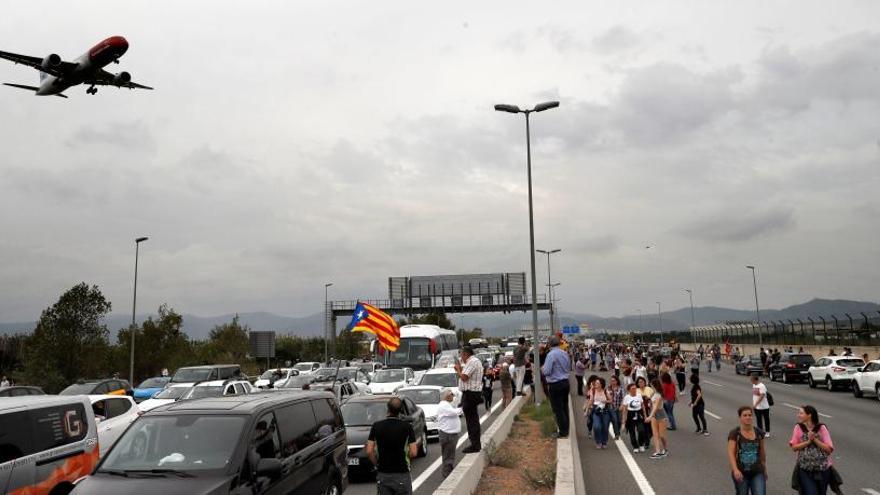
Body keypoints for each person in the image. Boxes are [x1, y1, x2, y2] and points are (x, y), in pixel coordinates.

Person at [367, 397, 418, 494]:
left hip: (383, 473)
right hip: (402, 473)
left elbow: (369, 451)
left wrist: (376, 463)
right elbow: (414, 452)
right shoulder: (407, 427)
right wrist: (407, 459)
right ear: (401, 410)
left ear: (387, 409)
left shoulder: (376, 426)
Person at [789, 405, 834, 495]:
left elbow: (829, 449)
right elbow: (794, 447)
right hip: (805, 468)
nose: (798, 415)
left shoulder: (821, 428)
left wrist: (815, 440)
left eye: (801, 413)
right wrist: (808, 442)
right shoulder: (798, 428)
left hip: (823, 469)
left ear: (809, 415)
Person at [727, 406, 767, 495]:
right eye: (745, 415)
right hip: (741, 472)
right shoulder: (735, 433)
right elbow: (731, 453)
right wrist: (735, 470)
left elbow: (762, 452)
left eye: (750, 415)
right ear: (740, 417)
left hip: (757, 471)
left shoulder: (759, 433)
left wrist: (764, 469)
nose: (748, 417)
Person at [454, 346, 484, 453]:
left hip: (471, 394)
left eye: (462, 355)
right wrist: (460, 370)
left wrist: (458, 369)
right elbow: (466, 376)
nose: (461, 357)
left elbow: (464, 377)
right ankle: (475, 444)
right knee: (472, 419)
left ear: (466, 354)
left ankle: (475, 445)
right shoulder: (473, 362)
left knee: (471, 420)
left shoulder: (472, 362)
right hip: (471, 393)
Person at [542, 335, 572, 438]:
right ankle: (566, 429)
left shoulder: (551, 355)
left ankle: (563, 432)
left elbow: (547, 371)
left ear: (549, 344)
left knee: (557, 409)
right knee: (564, 407)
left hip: (555, 384)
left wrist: (542, 369)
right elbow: (569, 367)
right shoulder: (564, 353)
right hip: (565, 382)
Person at [436, 388, 462, 478]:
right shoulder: (444, 405)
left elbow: (459, 394)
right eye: (451, 395)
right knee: (448, 455)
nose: (453, 396)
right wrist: (463, 407)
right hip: (448, 434)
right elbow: (455, 412)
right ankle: (447, 474)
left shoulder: (447, 404)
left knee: (449, 454)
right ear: (447, 396)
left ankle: (448, 472)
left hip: (449, 434)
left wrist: (454, 393)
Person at [585, 377, 611, 449]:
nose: (595, 384)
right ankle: (598, 442)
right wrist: (587, 411)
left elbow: (611, 400)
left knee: (605, 427)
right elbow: (590, 401)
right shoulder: (593, 391)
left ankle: (604, 442)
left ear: (601, 384)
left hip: (605, 411)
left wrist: (606, 401)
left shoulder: (606, 391)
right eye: (595, 383)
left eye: (597, 383)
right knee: (597, 427)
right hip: (596, 410)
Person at [621, 383, 648, 453]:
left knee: (641, 430)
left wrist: (645, 416)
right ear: (629, 390)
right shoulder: (627, 397)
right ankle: (635, 446)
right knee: (632, 432)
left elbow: (643, 406)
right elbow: (624, 411)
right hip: (630, 415)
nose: (634, 390)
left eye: (635, 388)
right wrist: (623, 423)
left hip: (639, 414)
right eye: (632, 389)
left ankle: (641, 444)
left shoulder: (639, 396)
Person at [646, 378, 668, 459]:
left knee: (662, 435)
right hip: (654, 416)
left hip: (661, 415)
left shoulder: (659, 395)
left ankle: (665, 449)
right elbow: (652, 406)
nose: (651, 386)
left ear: (655, 385)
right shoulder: (653, 394)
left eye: (651, 385)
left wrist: (650, 416)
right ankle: (658, 452)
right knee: (655, 434)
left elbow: (655, 407)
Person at [607, 375, 624, 440]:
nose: (612, 382)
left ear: (617, 381)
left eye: (614, 380)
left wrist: (621, 406)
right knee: (615, 420)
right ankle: (616, 434)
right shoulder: (608, 388)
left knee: (619, 421)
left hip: (619, 407)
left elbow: (623, 398)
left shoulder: (621, 388)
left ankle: (617, 431)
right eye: (611, 381)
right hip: (611, 407)